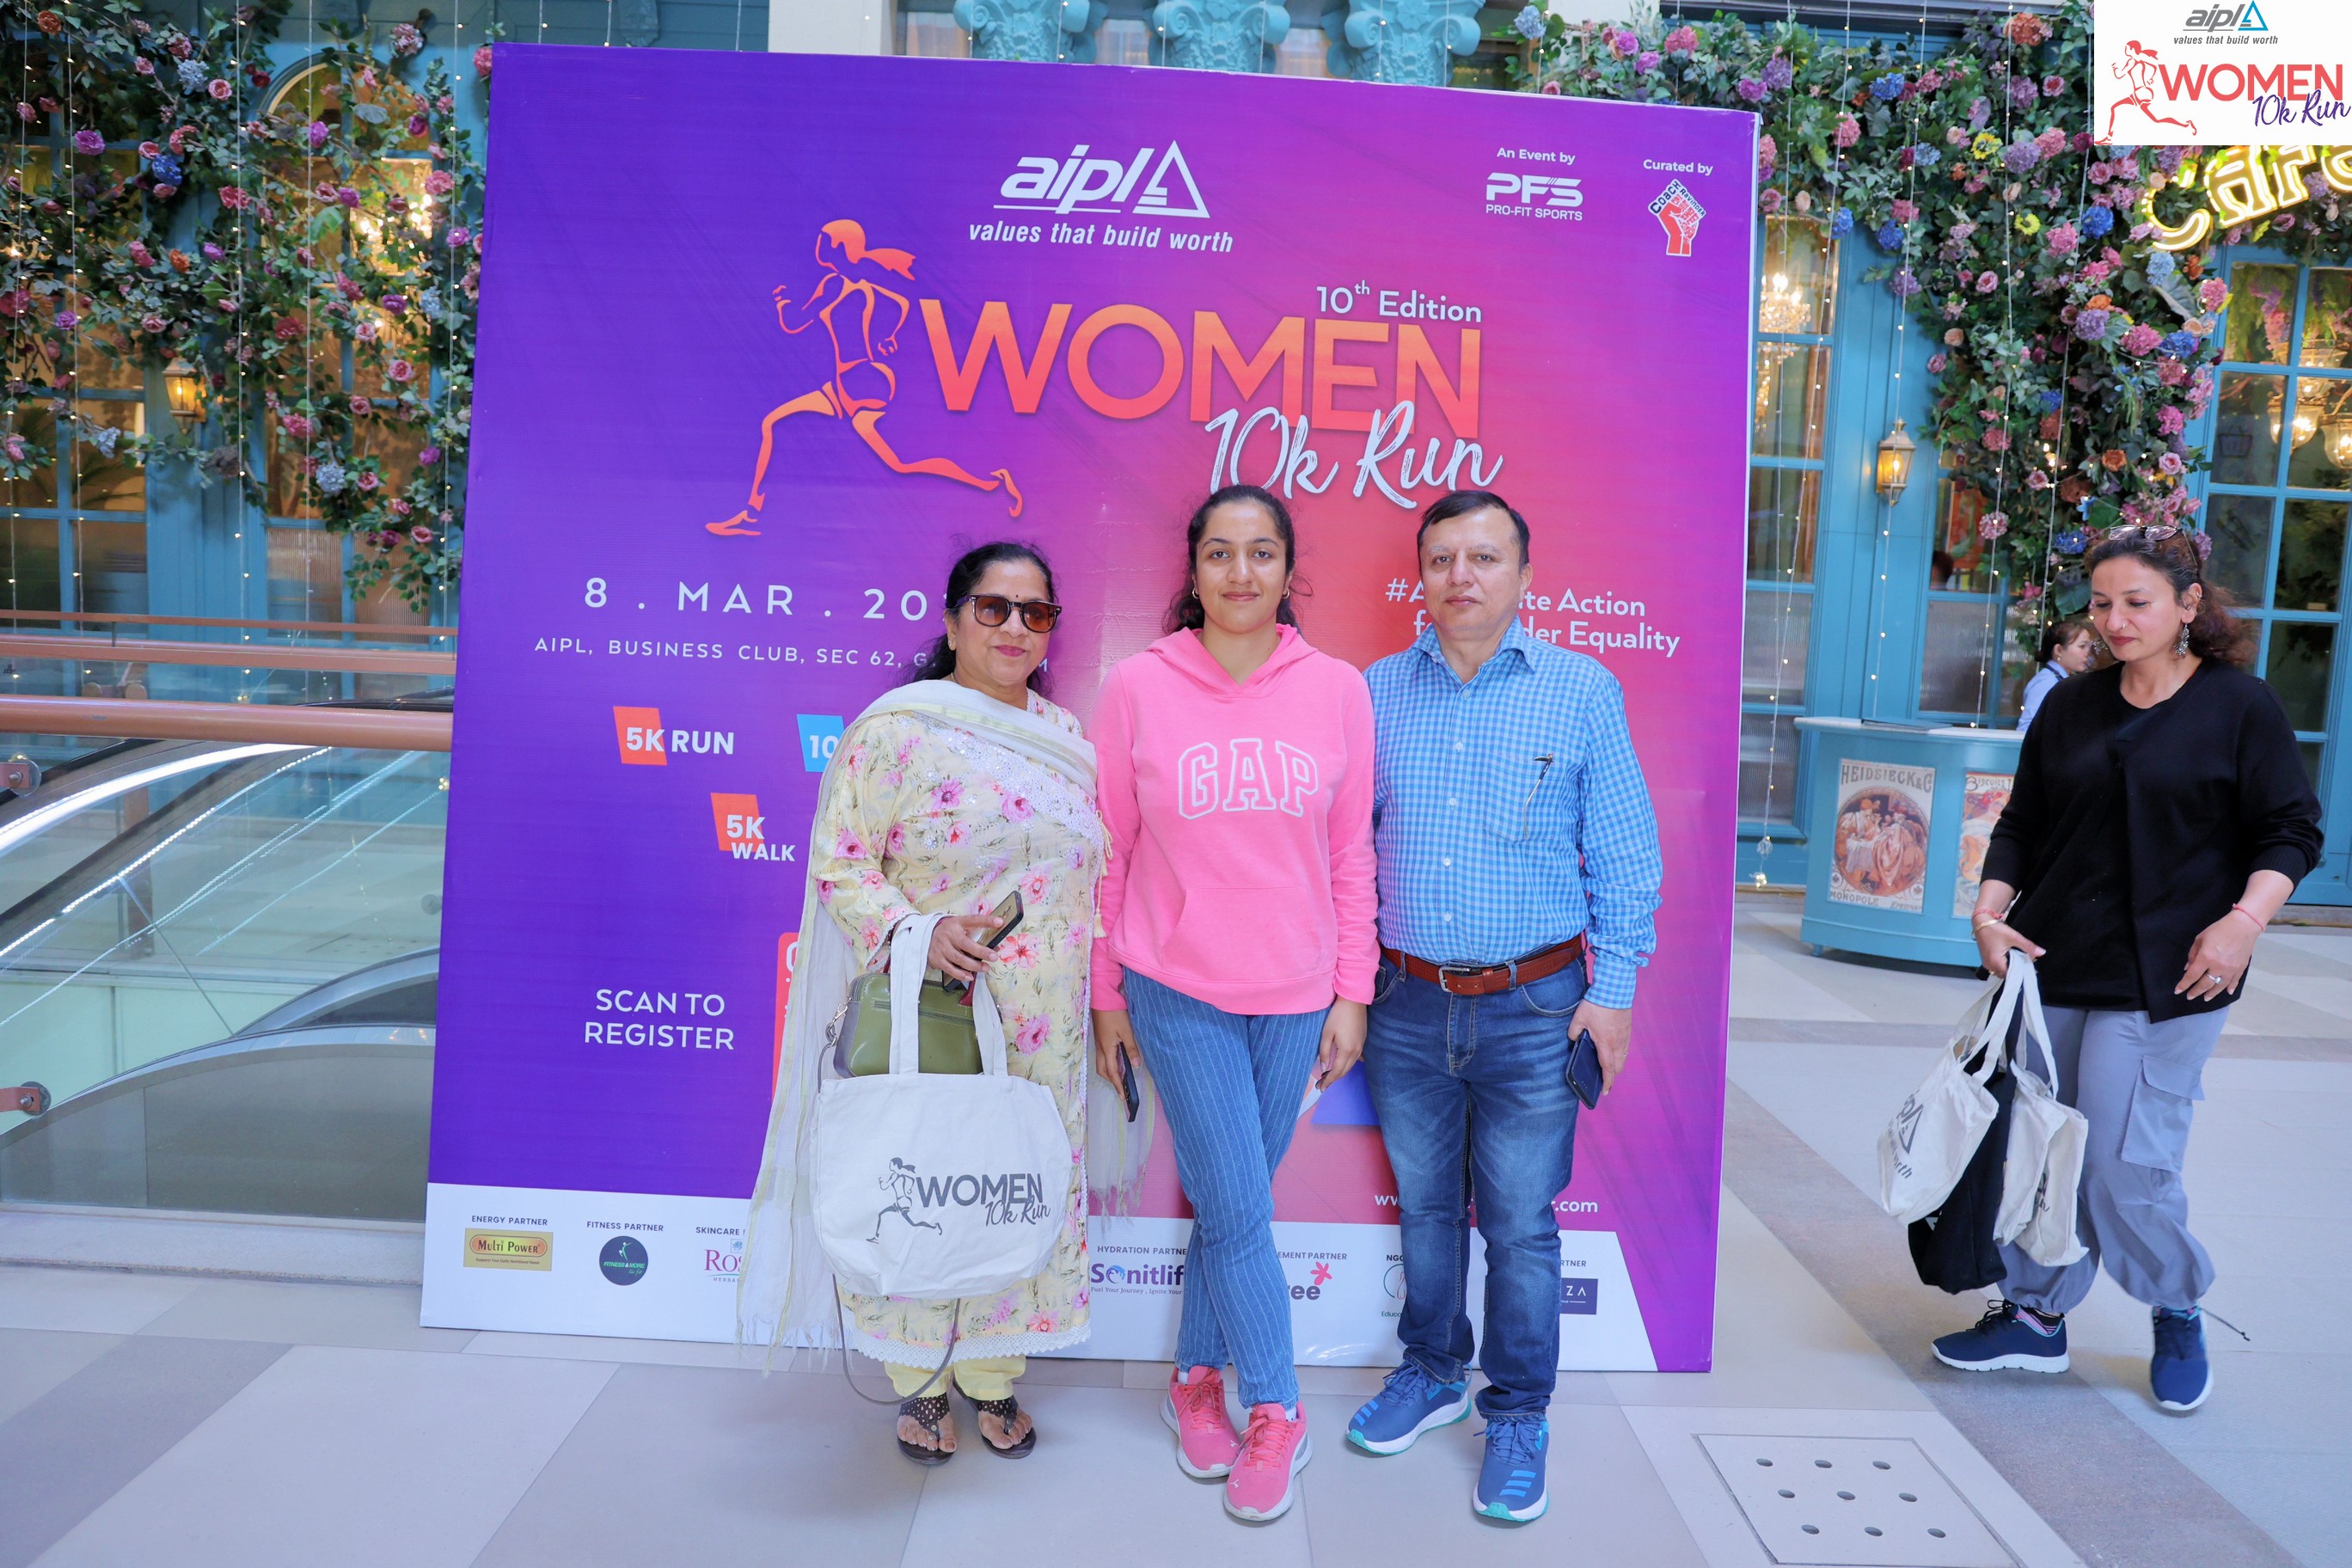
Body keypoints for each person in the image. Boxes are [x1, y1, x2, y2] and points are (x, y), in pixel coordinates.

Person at [738, 541, 1099, 1466]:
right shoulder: (898, 730)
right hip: (932, 1011)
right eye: (993, 608)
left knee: (1011, 1183)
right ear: (952, 620)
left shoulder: (1063, 737)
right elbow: (840, 861)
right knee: (924, 1181)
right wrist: (917, 930)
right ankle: (921, 1384)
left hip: (1041, 1029)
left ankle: (993, 1373)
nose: (1015, 627)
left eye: (1036, 613)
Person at [1946, 525, 2321, 1413]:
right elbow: (2022, 823)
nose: (2115, 621)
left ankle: (2175, 1301)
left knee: (2123, 1164)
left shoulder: (2239, 706)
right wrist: (1989, 913)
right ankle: (2036, 1315)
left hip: (2171, 974)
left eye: (2137, 602)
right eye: (2102, 604)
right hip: (2053, 961)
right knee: (2045, 1151)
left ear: (2188, 604)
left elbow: (2290, 831)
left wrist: (2243, 923)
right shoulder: (2072, 706)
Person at [1348, 490, 1662, 1524]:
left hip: (1537, 1007)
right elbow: (1345, 852)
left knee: (1521, 1225)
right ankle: (1433, 1369)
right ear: (1420, 575)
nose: (1462, 577)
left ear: (1525, 576)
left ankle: (1519, 1412)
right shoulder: (1374, 692)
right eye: (1443, 559)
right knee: (1427, 1207)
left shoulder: (1581, 690)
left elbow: (1626, 855)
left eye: (1485, 558)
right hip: (1404, 1001)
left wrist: (1613, 994)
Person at [1089, 483, 1376, 1524]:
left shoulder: (1337, 689)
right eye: (1220, 552)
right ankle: (1280, 1410)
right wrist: (1106, 993)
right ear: (1194, 569)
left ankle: (1194, 1379)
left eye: (1261, 552)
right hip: (1177, 989)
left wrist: (1353, 991)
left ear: (1288, 569)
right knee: (1242, 1207)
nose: (1241, 572)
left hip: (1297, 994)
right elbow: (1109, 852)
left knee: (1229, 1201)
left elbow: (1350, 854)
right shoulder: (1137, 686)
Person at [2016, 618, 2097, 730]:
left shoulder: (2058, 679)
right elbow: (2026, 728)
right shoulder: (2047, 682)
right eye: (2082, 646)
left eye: (2089, 646)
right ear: (2059, 650)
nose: (2088, 653)